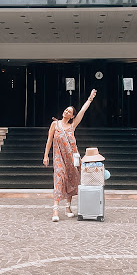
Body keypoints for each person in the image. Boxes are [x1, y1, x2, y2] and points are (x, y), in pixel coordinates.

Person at [43, 89, 97, 222]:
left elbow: (83, 111)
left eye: (69, 112)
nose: (66, 112)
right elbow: (49, 140)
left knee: (71, 180)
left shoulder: (72, 125)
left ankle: (68, 207)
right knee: (59, 179)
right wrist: (45, 156)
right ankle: (55, 208)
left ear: (72, 116)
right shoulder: (55, 124)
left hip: (72, 158)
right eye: (66, 110)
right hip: (58, 157)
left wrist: (90, 99)